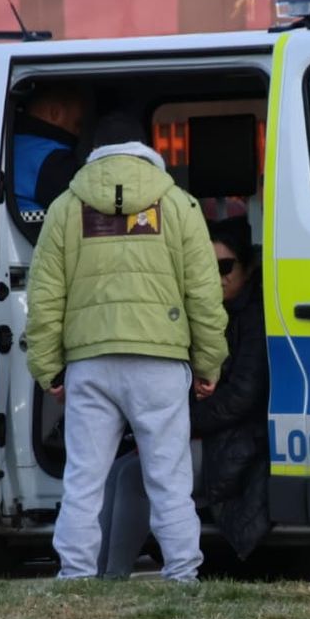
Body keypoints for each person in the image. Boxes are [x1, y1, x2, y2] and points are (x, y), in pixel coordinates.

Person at [25, 112, 228, 582]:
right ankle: (182, 576)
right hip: (159, 360)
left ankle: (74, 576)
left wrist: (49, 369)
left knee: (83, 479)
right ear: (147, 149)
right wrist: (208, 363)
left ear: (93, 152)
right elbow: (204, 294)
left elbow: (44, 298)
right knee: (168, 478)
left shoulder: (64, 208)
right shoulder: (179, 205)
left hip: (90, 363)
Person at [97, 217, 268, 578]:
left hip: (240, 441)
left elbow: (243, 397)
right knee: (117, 472)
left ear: (248, 268)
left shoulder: (253, 317)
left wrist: (176, 428)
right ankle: (101, 578)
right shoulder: (208, 312)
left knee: (137, 476)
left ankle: (110, 579)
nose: (218, 277)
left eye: (227, 267)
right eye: (209, 267)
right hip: (209, 433)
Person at [11, 78, 84, 223]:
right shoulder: (55, 160)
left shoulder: (13, 142)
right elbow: (81, 215)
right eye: (77, 124)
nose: (79, 133)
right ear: (55, 113)